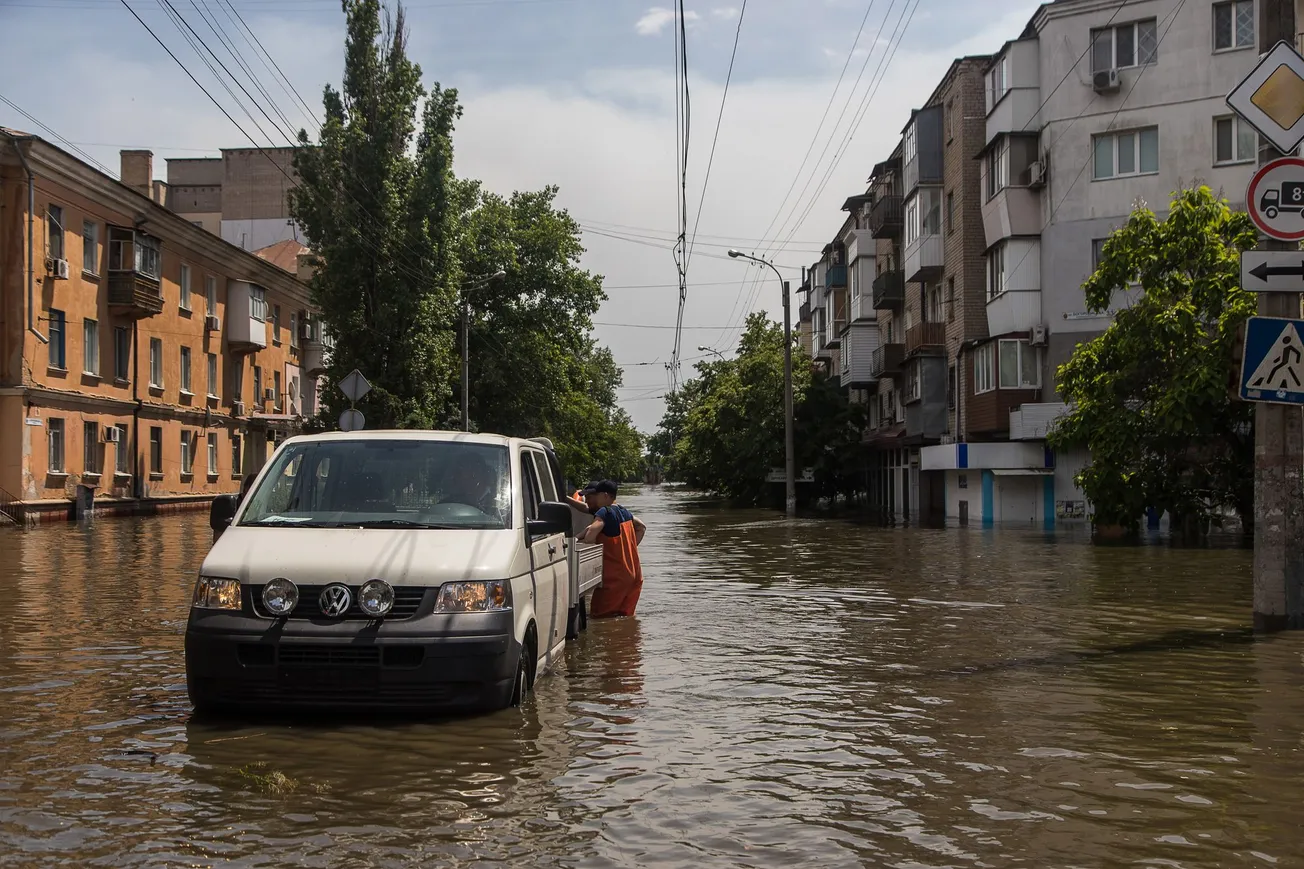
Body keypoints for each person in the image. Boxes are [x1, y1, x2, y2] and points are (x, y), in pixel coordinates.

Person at [578, 480, 646, 618]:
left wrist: (582, 541)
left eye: (596, 495)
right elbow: (641, 527)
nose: (593, 499)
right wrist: (629, 548)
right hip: (635, 577)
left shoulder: (604, 511)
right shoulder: (624, 512)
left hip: (614, 579)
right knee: (625, 619)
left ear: (604, 495)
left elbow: (591, 536)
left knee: (599, 618)